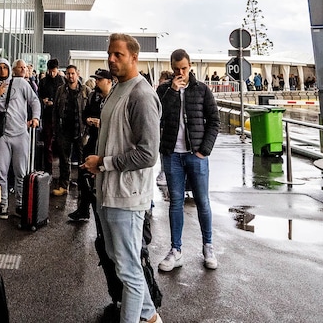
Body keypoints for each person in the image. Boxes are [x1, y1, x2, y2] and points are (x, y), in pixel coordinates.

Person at [83, 34, 162, 323]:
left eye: (118, 54)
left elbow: (148, 154)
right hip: (108, 192)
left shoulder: (141, 95)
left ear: (134, 57)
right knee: (120, 262)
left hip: (127, 197)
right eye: (110, 54)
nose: (111, 59)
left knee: (129, 271)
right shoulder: (117, 89)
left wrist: (104, 163)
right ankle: (150, 316)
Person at [155, 49, 221, 272]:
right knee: (176, 202)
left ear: (190, 66)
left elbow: (214, 121)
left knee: (202, 201)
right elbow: (157, 116)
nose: (180, 73)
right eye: (176, 69)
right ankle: (176, 250)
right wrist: (173, 92)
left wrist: (205, 150)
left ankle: (208, 246)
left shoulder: (202, 89)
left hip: (196, 155)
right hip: (172, 154)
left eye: (183, 68)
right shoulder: (164, 90)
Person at [0, 59, 40, 218]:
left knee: (20, 172)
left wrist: (36, 117)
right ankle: (3, 205)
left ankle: (20, 204)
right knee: (1, 172)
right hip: (2, 135)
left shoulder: (21, 83)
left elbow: (34, 101)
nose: (2, 71)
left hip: (20, 133)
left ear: (9, 69)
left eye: (5, 67)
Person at [67, 68, 112, 222]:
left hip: (107, 142)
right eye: (96, 79)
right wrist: (88, 120)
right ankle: (83, 208)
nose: (97, 82)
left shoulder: (114, 99)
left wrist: (102, 124)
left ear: (109, 81)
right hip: (92, 139)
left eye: (100, 80)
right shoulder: (94, 96)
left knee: (100, 178)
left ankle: (102, 215)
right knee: (84, 172)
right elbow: (85, 113)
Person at [51, 64, 87, 195]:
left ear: (77, 74)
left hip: (80, 130)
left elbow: (88, 110)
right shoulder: (61, 90)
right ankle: (63, 186)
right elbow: (55, 111)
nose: (70, 76)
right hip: (64, 130)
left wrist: (87, 130)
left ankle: (83, 188)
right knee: (64, 160)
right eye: (68, 74)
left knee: (82, 161)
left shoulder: (85, 90)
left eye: (72, 73)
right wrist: (56, 129)